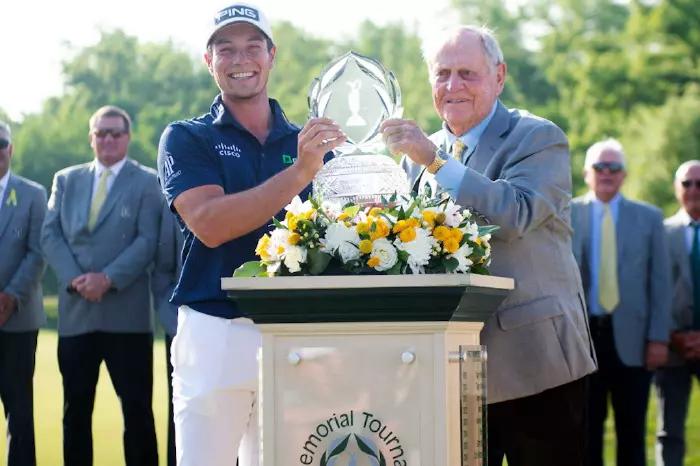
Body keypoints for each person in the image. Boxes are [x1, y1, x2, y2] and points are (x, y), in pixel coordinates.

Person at [380, 25, 596, 466]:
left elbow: (515, 215)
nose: (453, 86)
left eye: (467, 73)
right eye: (442, 74)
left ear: (499, 76)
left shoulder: (537, 138)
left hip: (535, 366)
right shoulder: (419, 154)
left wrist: (435, 163)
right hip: (448, 370)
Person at [156, 4, 344, 466]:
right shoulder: (185, 137)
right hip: (216, 329)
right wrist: (301, 173)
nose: (241, 59)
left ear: (272, 55)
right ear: (209, 60)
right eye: (226, 49)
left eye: (252, 46)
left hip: (296, 333)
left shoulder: (308, 143)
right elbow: (212, 224)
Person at [41, 105, 161, 466]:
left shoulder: (147, 181)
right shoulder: (66, 179)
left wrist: (107, 279)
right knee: (75, 412)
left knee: (137, 412)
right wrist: (77, 280)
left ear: (128, 137)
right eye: (101, 133)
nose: (108, 139)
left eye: (116, 133)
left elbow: (147, 239)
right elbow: (50, 233)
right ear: (91, 137)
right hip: (77, 316)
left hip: (127, 317)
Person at [571, 139, 671, 466]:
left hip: (634, 341)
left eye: (614, 167)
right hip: (583, 341)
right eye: (600, 166)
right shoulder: (566, 215)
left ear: (624, 174)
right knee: (586, 433)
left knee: (632, 432)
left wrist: (658, 338)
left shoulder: (650, 218)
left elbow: (660, 284)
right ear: (587, 173)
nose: (607, 173)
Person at [0, 121, 47, 466]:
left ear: (10, 149)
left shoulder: (32, 194)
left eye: (0, 144)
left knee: (19, 410)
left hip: (17, 318)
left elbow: (38, 251)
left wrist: (10, 296)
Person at [654, 160, 700, 466]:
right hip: (672, 346)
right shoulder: (659, 233)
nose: (694, 189)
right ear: (676, 188)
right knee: (669, 430)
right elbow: (650, 289)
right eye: (687, 183)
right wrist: (670, 334)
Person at [151, 201, 184, 466]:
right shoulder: (176, 199)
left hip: (252, 326)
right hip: (182, 330)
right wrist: (172, 322)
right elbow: (162, 271)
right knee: (180, 417)